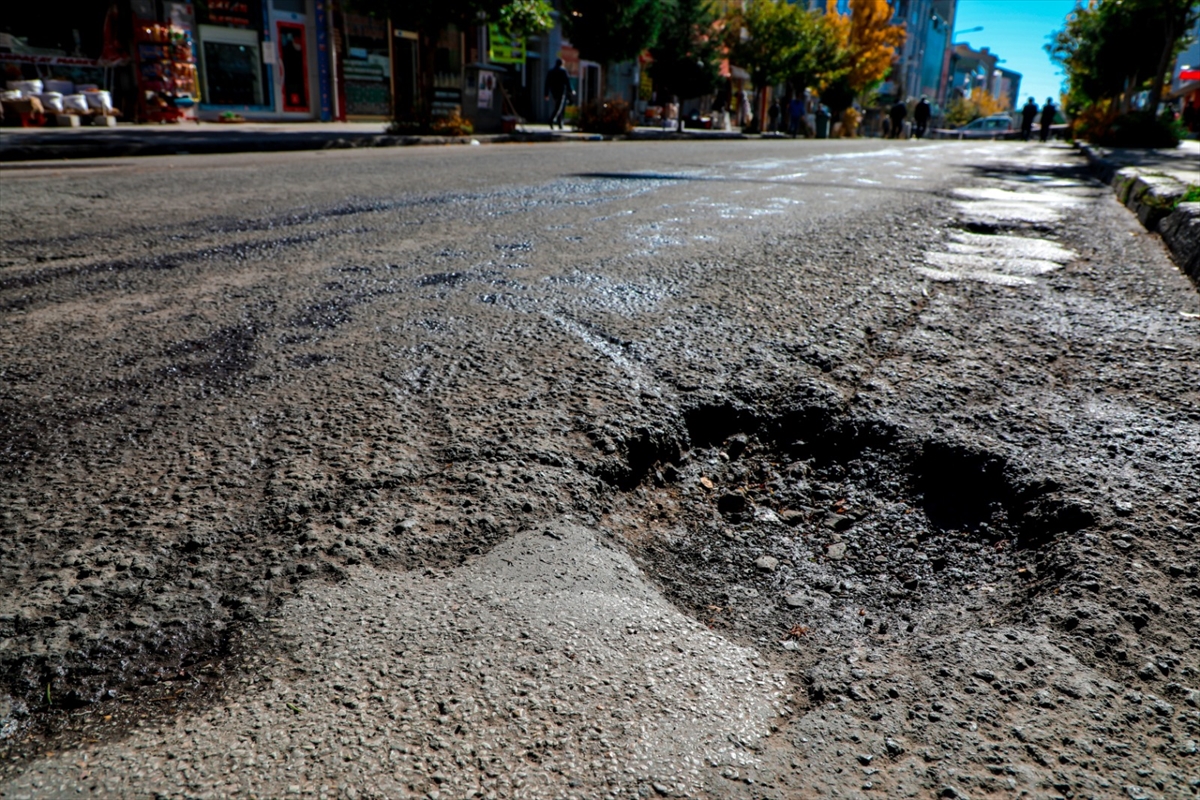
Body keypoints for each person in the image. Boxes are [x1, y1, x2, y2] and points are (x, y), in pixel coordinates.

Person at [544, 58, 573, 130]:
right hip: (561, 91)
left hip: (553, 91)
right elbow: (567, 81)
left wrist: (546, 93)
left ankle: (560, 123)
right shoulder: (563, 71)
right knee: (559, 107)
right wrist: (571, 90)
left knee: (559, 106)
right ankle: (551, 119)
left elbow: (547, 83)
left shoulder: (550, 72)